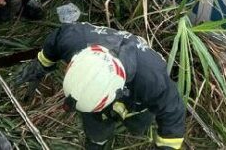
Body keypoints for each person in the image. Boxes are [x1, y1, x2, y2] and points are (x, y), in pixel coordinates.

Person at [16, 22, 186, 149]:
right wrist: (41, 64)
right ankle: (98, 141)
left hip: (138, 103)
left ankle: (134, 128)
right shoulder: (75, 40)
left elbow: (173, 112)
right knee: (95, 126)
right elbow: (56, 40)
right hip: (99, 101)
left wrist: (166, 146)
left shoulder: (152, 80)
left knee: (138, 123)